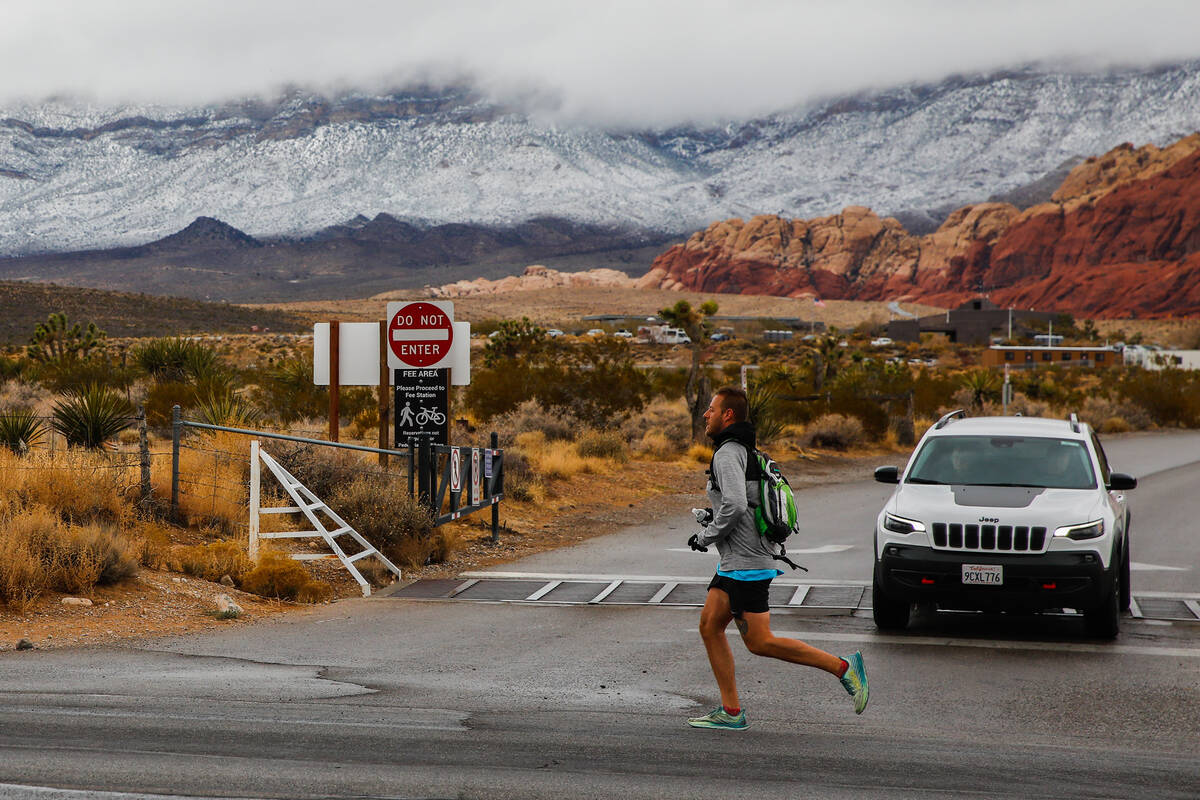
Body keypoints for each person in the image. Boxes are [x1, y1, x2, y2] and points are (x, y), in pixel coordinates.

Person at [685, 386, 868, 730]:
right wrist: (714, 520)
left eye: (711, 409)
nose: (706, 414)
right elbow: (743, 504)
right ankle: (731, 711)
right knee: (710, 626)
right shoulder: (743, 450)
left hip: (747, 565)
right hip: (737, 562)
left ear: (728, 415)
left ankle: (844, 668)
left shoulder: (727, 452)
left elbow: (737, 505)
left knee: (760, 641)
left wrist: (706, 536)